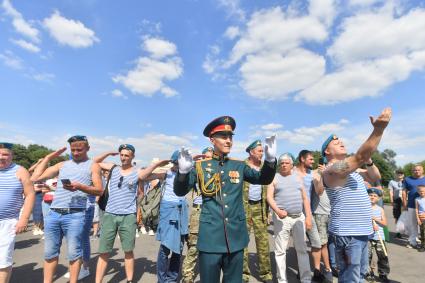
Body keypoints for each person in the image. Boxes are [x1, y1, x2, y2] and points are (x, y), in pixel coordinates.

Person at [174, 116, 277, 283]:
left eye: (230, 137)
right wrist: (183, 173)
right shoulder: (200, 167)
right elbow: (180, 191)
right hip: (210, 240)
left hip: (235, 239)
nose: (229, 140)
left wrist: (271, 161)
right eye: (223, 136)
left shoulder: (239, 165)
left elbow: (262, 178)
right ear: (212, 139)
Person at [321, 107, 391, 282]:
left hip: (361, 232)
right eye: (336, 143)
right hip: (347, 234)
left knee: (359, 275)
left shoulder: (354, 172)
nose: (341, 142)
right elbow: (359, 155)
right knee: (350, 278)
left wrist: (369, 160)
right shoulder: (331, 170)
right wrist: (379, 129)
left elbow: (376, 177)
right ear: (327, 152)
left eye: (342, 141)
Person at [30, 135, 103, 283]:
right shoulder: (62, 165)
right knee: (50, 253)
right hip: (54, 213)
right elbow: (35, 177)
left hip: (76, 214)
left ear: (87, 148)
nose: (76, 153)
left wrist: (80, 186)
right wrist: (47, 158)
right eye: (73, 150)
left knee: (74, 253)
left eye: (79, 150)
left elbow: (99, 190)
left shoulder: (93, 165)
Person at [93, 144, 170, 283]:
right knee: (104, 252)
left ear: (132, 156)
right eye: (121, 155)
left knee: (128, 251)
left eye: (126, 155)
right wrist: (108, 153)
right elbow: (95, 162)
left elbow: (146, 174)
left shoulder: (137, 172)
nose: (123, 158)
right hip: (110, 215)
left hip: (128, 217)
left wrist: (158, 164)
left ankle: (129, 280)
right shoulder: (113, 168)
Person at [267, 153, 312, 283]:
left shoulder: (298, 178)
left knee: (302, 249)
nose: (284, 165)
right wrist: (277, 210)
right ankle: (282, 280)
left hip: (299, 217)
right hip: (282, 219)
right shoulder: (274, 178)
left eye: (286, 163)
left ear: (292, 164)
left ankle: (306, 279)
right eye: (281, 163)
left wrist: (308, 217)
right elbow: (269, 197)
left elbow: (305, 198)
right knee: (280, 251)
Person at [0, 142, 35, 283]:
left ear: (11, 156)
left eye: (5, 154)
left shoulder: (20, 171)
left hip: (8, 222)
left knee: (3, 259)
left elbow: (30, 194)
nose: (1, 157)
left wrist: (24, 219)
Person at [155, 150, 189, 283]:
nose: (178, 166)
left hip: (182, 211)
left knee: (179, 248)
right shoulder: (166, 173)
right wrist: (159, 163)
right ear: (172, 162)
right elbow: (143, 176)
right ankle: (162, 280)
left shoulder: (186, 174)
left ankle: (172, 278)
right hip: (168, 211)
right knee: (165, 247)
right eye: (176, 163)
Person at [242, 140, 272, 283]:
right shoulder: (242, 166)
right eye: (260, 151)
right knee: (243, 243)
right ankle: (244, 274)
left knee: (263, 242)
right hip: (244, 208)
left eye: (262, 151)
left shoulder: (264, 168)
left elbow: (269, 191)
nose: (262, 153)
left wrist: (269, 211)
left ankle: (266, 274)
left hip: (260, 208)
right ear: (251, 152)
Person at [182, 147, 213, 283]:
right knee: (193, 246)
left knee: (213, 247)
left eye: (210, 157)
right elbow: (184, 181)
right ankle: (187, 277)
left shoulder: (218, 172)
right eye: (205, 157)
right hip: (198, 211)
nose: (207, 160)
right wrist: (193, 163)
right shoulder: (197, 171)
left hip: (214, 211)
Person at [295, 149, 324, 282]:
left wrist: (320, 177)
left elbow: (319, 192)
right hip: (294, 214)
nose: (313, 161)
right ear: (302, 159)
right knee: (300, 245)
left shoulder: (313, 174)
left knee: (317, 242)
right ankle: (302, 269)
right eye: (310, 159)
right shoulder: (292, 172)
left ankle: (317, 270)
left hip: (308, 214)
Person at [310, 158, 333, 282]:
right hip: (319, 213)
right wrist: (322, 174)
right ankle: (320, 270)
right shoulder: (316, 174)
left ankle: (330, 267)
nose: (327, 164)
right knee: (321, 244)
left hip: (333, 213)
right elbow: (319, 191)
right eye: (325, 162)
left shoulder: (334, 173)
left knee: (331, 244)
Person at [366, 188, 390, 283]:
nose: (372, 197)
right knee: (367, 256)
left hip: (379, 236)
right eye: (370, 195)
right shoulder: (365, 208)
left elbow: (384, 223)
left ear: (379, 198)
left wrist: (375, 219)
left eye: (375, 196)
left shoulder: (380, 209)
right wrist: (371, 223)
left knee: (383, 256)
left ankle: (383, 274)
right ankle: (368, 273)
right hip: (367, 237)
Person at [402, 164, 425, 248]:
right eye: (415, 170)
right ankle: (412, 242)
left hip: (424, 207)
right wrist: (404, 204)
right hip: (411, 205)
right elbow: (404, 192)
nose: (417, 171)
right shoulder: (407, 179)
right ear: (412, 171)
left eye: (418, 170)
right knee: (413, 224)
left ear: (422, 170)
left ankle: (423, 242)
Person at [388, 170, 404, 237]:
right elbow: (391, 192)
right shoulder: (392, 182)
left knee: (405, 216)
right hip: (396, 200)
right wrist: (392, 200)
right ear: (395, 174)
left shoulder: (406, 181)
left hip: (405, 200)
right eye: (398, 174)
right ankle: (398, 232)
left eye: (401, 174)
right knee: (397, 216)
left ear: (403, 175)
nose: (399, 175)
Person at [415, 185, 425, 252]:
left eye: (423, 191)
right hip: (421, 218)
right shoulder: (417, 199)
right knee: (422, 232)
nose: (422, 192)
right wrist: (418, 219)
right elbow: (416, 209)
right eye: (420, 191)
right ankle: (423, 245)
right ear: (418, 192)